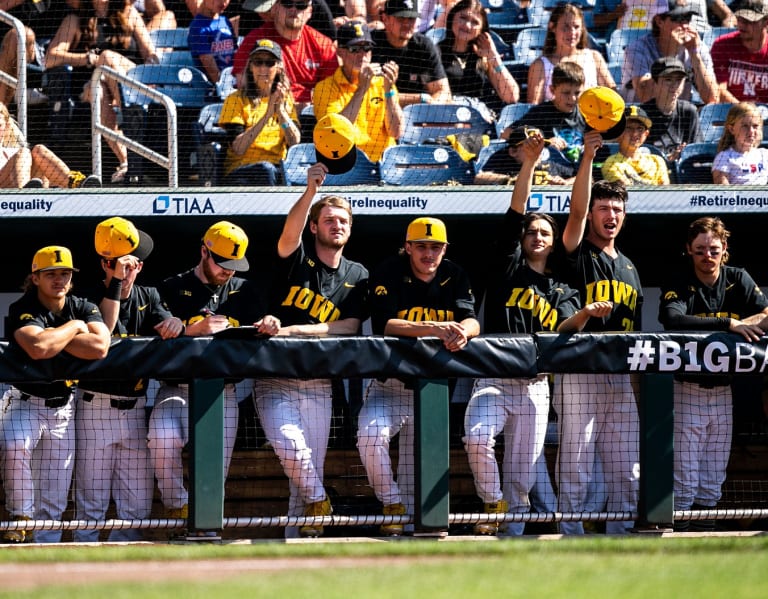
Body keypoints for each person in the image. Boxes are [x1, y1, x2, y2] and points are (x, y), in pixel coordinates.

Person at [465, 132, 612, 536]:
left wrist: (584, 314)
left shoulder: (562, 288)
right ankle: (492, 501)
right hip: (494, 377)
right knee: (477, 438)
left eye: (545, 233)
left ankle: (509, 540)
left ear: (552, 243)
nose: (537, 237)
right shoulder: (507, 267)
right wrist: (528, 165)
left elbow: (565, 327)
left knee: (523, 476)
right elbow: (516, 212)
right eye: (532, 232)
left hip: (535, 386)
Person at [253, 161, 368, 538]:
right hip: (275, 379)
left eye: (344, 221)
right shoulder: (298, 260)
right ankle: (323, 502)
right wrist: (310, 194)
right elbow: (288, 236)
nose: (337, 225)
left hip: (320, 384)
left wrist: (295, 329)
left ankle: (300, 547)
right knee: (291, 449)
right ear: (316, 226)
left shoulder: (357, 275)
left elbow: (349, 326)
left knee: (304, 475)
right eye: (330, 220)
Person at [148, 221, 280, 531]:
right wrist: (192, 330)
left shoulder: (245, 290)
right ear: (204, 251)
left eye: (234, 265)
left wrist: (270, 323)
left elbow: (261, 324)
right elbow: (152, 343)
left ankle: (207, 531)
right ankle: (176, 507)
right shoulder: (169, 287)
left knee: (213, 467)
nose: (228, 271)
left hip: (223, 392)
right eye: (221, 263)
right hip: (176, 388)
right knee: (162, 439)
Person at [357, 216, 479, 536]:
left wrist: (462, 332)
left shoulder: (455, 275)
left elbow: (472, 320)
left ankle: (416, 546)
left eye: (436, 247)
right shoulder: (388, 271)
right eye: (421, 246)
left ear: (445, 249)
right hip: (391, 385)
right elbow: (386, 324)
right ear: (408, 247)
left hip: (434, 391)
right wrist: (436, 329)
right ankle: (390, 503)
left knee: (417, 477)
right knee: (370, 436)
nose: (429, 254)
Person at [72, 217, 184, 543]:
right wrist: (116, 283)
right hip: (95, 406)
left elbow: (166, 321)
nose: (133, 268)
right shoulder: (86, 297)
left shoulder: (149, 294)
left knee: (136, 505)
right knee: (91, 503)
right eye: (124, 263)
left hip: (135, 407)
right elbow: (103, 333)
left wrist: (174, 322)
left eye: (134, 262)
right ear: (106, 264)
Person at [556, 128, 643, 535]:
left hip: (619, 374)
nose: (611, 215)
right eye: (604, 208)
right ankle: (570, 534)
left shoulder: (630, 267)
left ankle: (621, 534)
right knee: (575, 458)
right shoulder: (577, 251)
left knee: (627, 463)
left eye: (618, 210)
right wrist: (587, 159)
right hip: (580, 367)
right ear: (593, 213)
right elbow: (573, 214)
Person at [658, 216, 768, 531]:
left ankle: (703, 535)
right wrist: (729, 324)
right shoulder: (680, 279)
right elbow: (672, 319)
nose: (708, 256)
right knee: (685, 475)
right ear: (689, 251)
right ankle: (678, 536)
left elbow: (767, 313)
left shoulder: (737, 278)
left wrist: (753, 319)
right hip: (687, 388)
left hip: (723, 389)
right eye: (700, 250)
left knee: (713, 475)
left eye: (714, 249)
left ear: (724, 249)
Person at [0, 246, 110, 543]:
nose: (59, 279)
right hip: (25, 400)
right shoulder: (24, 306)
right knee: (13, 444)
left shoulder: (83, 304)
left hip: (64, 407)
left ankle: (46, 550)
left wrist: (55, 336)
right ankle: (19, 518)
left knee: (56, 489)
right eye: (51, 274)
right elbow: (38, 348)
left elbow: (100, 346)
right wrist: (74, 327)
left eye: (65, 274)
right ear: (35, 278)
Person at [45, 0, 162, 183]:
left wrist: (153, 76)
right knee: (97, 89)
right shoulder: (75, 20)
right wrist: (88, 58)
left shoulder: (129, 13)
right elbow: (50, 58)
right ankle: (126, 161)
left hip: (132, 79)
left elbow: (150, 55)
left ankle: (128, 104)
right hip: (94, 85)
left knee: (107, 56)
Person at [313, 20, 404, 162]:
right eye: (354, 49)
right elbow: (335, 135)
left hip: (384, 162)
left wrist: (388, 91)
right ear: (340, 51)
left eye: (367, 48)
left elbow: (396, 132)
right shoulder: (324, 88)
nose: (362, 55)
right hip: (348, 163)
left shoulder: (383, 83)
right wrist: (362, 89)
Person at [218, 39, 300, 185]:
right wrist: (267, 115)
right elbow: (238, 148)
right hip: (242, 170)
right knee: (266, 169)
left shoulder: (285, 98)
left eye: (269, 63)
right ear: (250, 67)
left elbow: (295, 142)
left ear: (279, 67)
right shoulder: (235, 100)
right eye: (258, 62)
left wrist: (281, 113)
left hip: (278, 169)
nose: (263, 68)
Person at [232, 0, 338, 112]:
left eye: (301, 5)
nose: (294, 9)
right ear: (275, 8)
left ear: (310, 12)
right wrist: (289, 106)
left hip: (313, 115)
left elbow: (332, 90)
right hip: (268, 114)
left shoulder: (323, 44)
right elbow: (244, 84)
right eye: (287, 3)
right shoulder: (254, 40)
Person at [622, 0, 718, 105]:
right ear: (659, 21)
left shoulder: (697, 47)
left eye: (687, 18)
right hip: (642, 116)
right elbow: (646, 96)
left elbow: (712, 99)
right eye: (678, 19)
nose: (685, 25)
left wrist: (694, 54)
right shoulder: (637, 49)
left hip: (678, 117)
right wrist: (672, 53)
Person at [436, 0, 519, 116]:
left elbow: (512, 97)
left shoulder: (484, 58)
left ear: (481, 30)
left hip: (478, 120)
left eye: (475, 22)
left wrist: (493, 56)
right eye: (463, 18)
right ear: (452, 18)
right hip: (443, 116)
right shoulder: (435, 53)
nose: (467, 25)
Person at [526, 3, 615, 105]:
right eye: (565, 27)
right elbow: (534, 107)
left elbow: (613, 96)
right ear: (552, 27)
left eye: (576, 27)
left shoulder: (595, 57)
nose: (572, 32)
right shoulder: (539, 65)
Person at [0, 101, 101, 188]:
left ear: (7, 126)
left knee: (38, 150)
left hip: (30, 186)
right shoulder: (20, 153)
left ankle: (75, 183)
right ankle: (22, 194)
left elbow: (49, 177)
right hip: (5, 194)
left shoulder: (13, 151)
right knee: (24, 152)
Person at [369, 0, 451, 107]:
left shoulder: (423, 46)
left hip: (417, 116)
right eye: (401, 18)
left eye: (411, 19)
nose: (407, 24)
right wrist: (421, 99)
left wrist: (429, 108)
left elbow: (444, 92)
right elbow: (369, 95)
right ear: (385, 19)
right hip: (377, 112)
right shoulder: (369, 44)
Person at [502, 62, 586, 163]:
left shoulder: (585, 112)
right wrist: (545, 143)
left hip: (580, 168)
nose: (572, 98)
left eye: (577, 93)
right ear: (552, 90)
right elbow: (506, 133)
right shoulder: (541, 113)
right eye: (566, 93)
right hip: (550, 167)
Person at [641, 56, 702, 163]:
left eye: (679, 80)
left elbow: (696, 151)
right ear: (655, 83)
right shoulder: (642, 114)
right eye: (668, 80)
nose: (674, 86)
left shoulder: (689, 111)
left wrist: (684, 155)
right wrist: (668, 161)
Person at [474, 125, 576, 186]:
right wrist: (514, 180)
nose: (538, 150)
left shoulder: (551, 164)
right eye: (531, 145)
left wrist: (565, 183)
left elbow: (585, 178)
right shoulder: (506, 162)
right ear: (513, 152)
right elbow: (479, 178)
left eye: (541, 145)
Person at [711, 0, 768, 105]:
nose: (741, 25)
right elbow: (719, 90)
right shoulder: (722, 45)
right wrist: (744, 113)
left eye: (748, 21)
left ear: (765, 21)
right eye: (740, 19)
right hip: (730, 113)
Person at [602, 105, 671, 186]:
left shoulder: (657, 161)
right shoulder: (611, 163)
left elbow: (665, 191)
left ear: (646, 133)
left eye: (640, 128)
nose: (635, 133)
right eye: (628, 128)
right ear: (618, 133)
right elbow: (628, 191)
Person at [712, 101, 768, 184]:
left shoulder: (765, 155)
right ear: (731, 129)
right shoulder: (724, 157)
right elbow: (723, 192)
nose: (751, 131)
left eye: (755, 126)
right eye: (745, 126)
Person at [188, 0, 237, 84]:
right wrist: (226, 87)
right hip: (214, 87)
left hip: (236, 81)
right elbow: (212, 71)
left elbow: (236, 54)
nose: (223, 3)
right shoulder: (197, 27)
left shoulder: (226, 21)